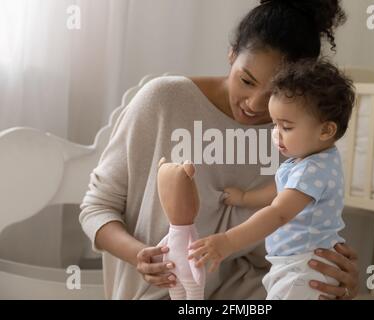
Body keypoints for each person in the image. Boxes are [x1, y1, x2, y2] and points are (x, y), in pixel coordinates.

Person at [79, 0, 359, 299]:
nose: (254, 105)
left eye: (273, 94)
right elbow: (96, 208)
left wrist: (338, 276)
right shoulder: (164, 101)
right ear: (232, 54)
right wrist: (139, 256)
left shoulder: (298, 135)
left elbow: (299, 225)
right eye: (247, 81)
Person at [188, 59, 355, 300]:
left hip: (305, 268)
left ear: (326, 131)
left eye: (286, 127)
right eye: (275, 124)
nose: (276, 134)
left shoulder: (313, 169)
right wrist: (245, 198)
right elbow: (280, 192)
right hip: (296, 264)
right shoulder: (315, 161)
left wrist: (228, 241)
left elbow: (278, 213)